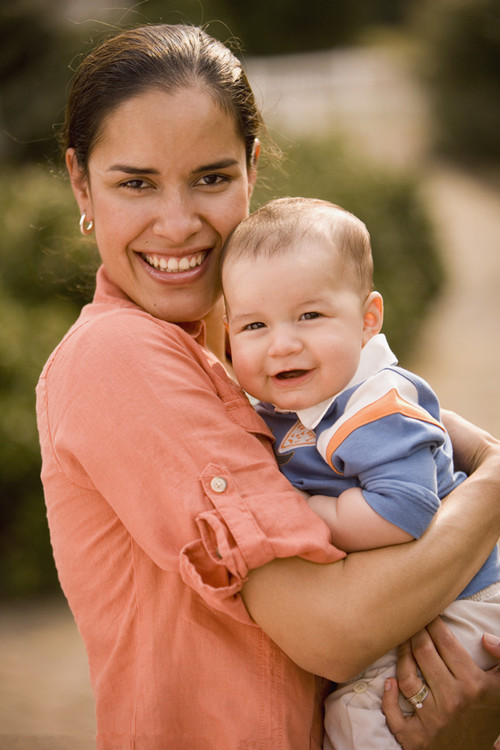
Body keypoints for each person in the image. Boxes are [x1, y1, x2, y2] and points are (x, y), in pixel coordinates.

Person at [34, 23, 500, 750]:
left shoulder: (265, 352)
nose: (179, 223)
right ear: (79, 181)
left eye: (212, 178)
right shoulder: (117, 356)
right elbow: (337, 633)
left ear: (253, 168)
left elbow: (434, 432)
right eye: (136, 182)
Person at [220, 196, 500, 749]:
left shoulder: (371, 405)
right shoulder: (292, 409)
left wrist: (317, 513)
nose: (283, 343)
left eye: (310, 315)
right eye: (254, 324)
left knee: (358, 718)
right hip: (435, 595)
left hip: (472, 599)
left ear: (368, 319)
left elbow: (406, 509)